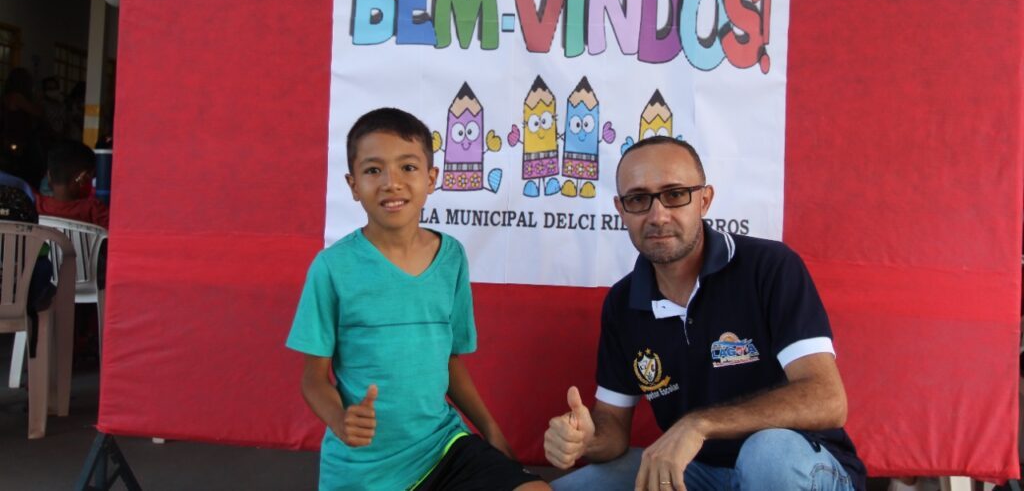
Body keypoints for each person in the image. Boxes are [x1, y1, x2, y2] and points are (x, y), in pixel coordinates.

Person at [543, 137, 866, 491]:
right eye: (638, 199)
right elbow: (613, 428)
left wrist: (699, 424)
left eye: (675, 194)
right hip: (698, 473)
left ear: (704, 200)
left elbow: (827, 399)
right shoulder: (622, 303)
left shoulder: (769, 267)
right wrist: (585, 439)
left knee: (767, 453)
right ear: (621, 210)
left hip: (798, 466)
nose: (658, 215)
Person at [286, 108, 548, 491]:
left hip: (442, 447)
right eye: (373, 170)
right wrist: (340, 420)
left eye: (407, 167)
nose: (391, 183)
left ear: (431, 178)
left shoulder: (451, 256)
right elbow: (313, 379)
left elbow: (450, 362)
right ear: (353, 185)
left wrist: (490, 430)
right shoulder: (332, 268)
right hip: (366, 470)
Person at [36, 140, 109, 229]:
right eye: (91, 176)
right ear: (83, 178)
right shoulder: (94, 210)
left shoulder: (37, 206)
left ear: (49, 176)